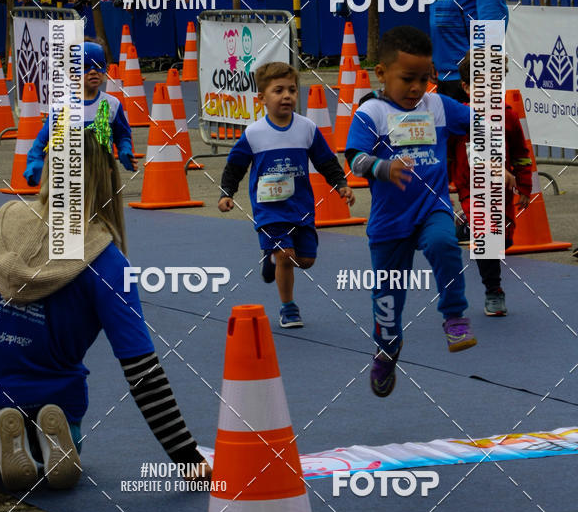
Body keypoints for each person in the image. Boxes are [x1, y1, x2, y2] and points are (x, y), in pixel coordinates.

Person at [0, 118, 211, 492]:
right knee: (60, 423)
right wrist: (187, 458)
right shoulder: (108, 263)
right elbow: (141, 368)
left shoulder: (4, 224)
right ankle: (46, 437)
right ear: (108, 180)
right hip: (54, 396)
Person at [345, 26, 477, 398]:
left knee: (444, 243)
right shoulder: (371, 112)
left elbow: (479, 124)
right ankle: (387, 348)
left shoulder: (438, 106)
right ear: (382, 73)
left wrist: (493, 114)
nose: (417, 87)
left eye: (424, 78)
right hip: (389, 222)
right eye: (407, 79)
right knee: (387, 298)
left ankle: (454, 316)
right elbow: (354, 158)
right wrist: (384, 168)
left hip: (431, 206)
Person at [218, 62, 355, 329]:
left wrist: (341, 184)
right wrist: (227, 193)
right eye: (278, 90)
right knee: (285, 254)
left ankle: (270, 258)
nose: (287, 96)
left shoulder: (306, 129)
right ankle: (288, 307)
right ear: (262, 99)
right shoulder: (254, 133)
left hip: (300, 206)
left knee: (305, 260)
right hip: (269, 209)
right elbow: (235, 166)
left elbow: (325, 160)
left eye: (292, 90)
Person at [449, 51, 532, 317]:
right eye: (480, 86)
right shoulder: (458, 119)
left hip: (503, 190)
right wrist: (446, 182)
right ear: (466, 88)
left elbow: (520, 153)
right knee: (488, 237)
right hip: (470, 189)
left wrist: (524, 185)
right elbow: (447, 152)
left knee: (503, 240)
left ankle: (466, 224)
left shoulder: (507, 116)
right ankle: (493, 291)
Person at [24, 42, 136, 187]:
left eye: (99, 65)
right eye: (85, 67)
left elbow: (122, 134)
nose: (93, 71)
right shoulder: (62, 107)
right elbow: (43, 139)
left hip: (102, 176)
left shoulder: (112, 104)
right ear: (71, 73)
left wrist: (125, 151)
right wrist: (35, 163)